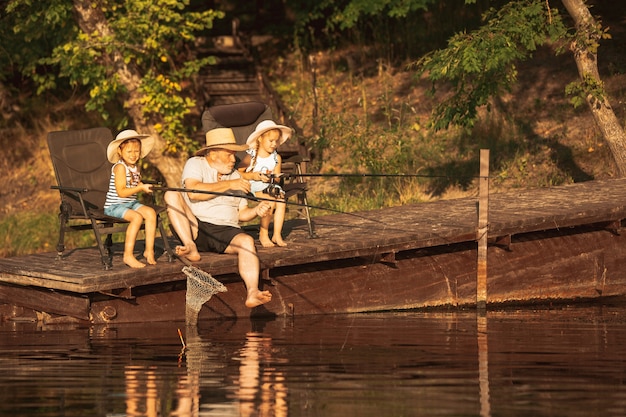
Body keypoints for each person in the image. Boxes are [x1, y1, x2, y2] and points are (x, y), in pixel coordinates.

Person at [164, 127, 273, 308]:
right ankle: (190, 247)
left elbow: (242, 214)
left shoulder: (237, 176)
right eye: (229, 154)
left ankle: (253, 291)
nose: (233, 159)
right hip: (194, 226)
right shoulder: (196, 163)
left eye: (234, 155)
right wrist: (229, 184)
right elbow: (193, 192)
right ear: (213, 153)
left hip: (226, 230)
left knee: (247, 241)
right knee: (171, 194)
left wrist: (256, 211)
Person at [103, 129, 157, 269]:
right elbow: (121, 192)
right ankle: (128, 255)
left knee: (151, 213)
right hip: (115, 206)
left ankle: (149, 250)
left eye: (136, 151)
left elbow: (134, 183)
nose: (133, 155)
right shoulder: (120, 168)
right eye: (129, 152)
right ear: (120, 152)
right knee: (137, 218)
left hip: (130, 203)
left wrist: (142, 186)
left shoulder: (134, 167)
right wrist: (140, 188)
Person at [239, 120, 293, 247]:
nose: (274, 144)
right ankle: (263, 234)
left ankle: (276, 234)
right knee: (270, 200)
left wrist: (273, 178)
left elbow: (278, 180)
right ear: (260, 139)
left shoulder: (276, 158)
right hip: (254, 185)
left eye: (276, 141)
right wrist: (254, 176)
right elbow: (239, 172)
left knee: (281, 201)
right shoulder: (251, 156)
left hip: (270, 185)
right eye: (271, 141)